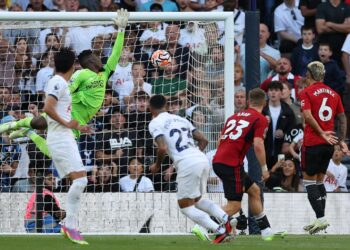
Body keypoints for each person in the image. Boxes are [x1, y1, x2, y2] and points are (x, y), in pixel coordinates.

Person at [0, 9, 129, 157]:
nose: (100, 59)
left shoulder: (104, 73)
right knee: (39, 125)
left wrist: (121, 29)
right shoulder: (81, 74)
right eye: (95, 57)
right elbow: (66, 91)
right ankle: (15, 126)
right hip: (69, 116)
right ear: (91, 61)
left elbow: (116, 53)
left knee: (46, 139)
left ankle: (27, 133)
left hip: (77, 120)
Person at [148, 94, 234, 244]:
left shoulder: (155, 123)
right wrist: (195, 157)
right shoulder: (182, 119)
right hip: (201, 158)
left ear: (151, 109)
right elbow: (204, 139)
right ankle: (226, 218)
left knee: (185, 207)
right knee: (198, 200)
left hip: (187, 163)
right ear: (166, 106)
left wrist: (156, 165)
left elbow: (162, 148)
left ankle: (219, 231)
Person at [212, 88, 275, 241]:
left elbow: (219, 141)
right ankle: (203, 224)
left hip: (220, 160)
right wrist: (265, 169)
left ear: (248, 102)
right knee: (234, 205)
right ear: (264, 103)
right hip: (231, 163)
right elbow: (258, 145)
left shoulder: (234, 116)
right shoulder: (260, 118)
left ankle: (265, 230)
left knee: (254, 190)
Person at [42, 48, 88, 244]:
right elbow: (47, 108)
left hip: (64, 135)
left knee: (79, 180)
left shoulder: (62, 83)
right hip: (60, 137)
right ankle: (69, 226)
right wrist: (67, 123)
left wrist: (76, 124)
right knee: (80, 181)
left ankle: (70, 225)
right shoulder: (57, 81)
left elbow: (59, 109)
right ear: (74, 64)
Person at [300, 61, 349, 235]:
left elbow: (307, 115)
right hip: (329, 144)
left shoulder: (306, 92)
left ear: (309, 75)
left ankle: (320, 218)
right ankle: (320, 217)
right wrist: (341, 140)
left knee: (308, 182)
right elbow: (342, 118)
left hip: (313, 142)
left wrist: (321, 133)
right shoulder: (334, 94)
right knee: (319, 181)